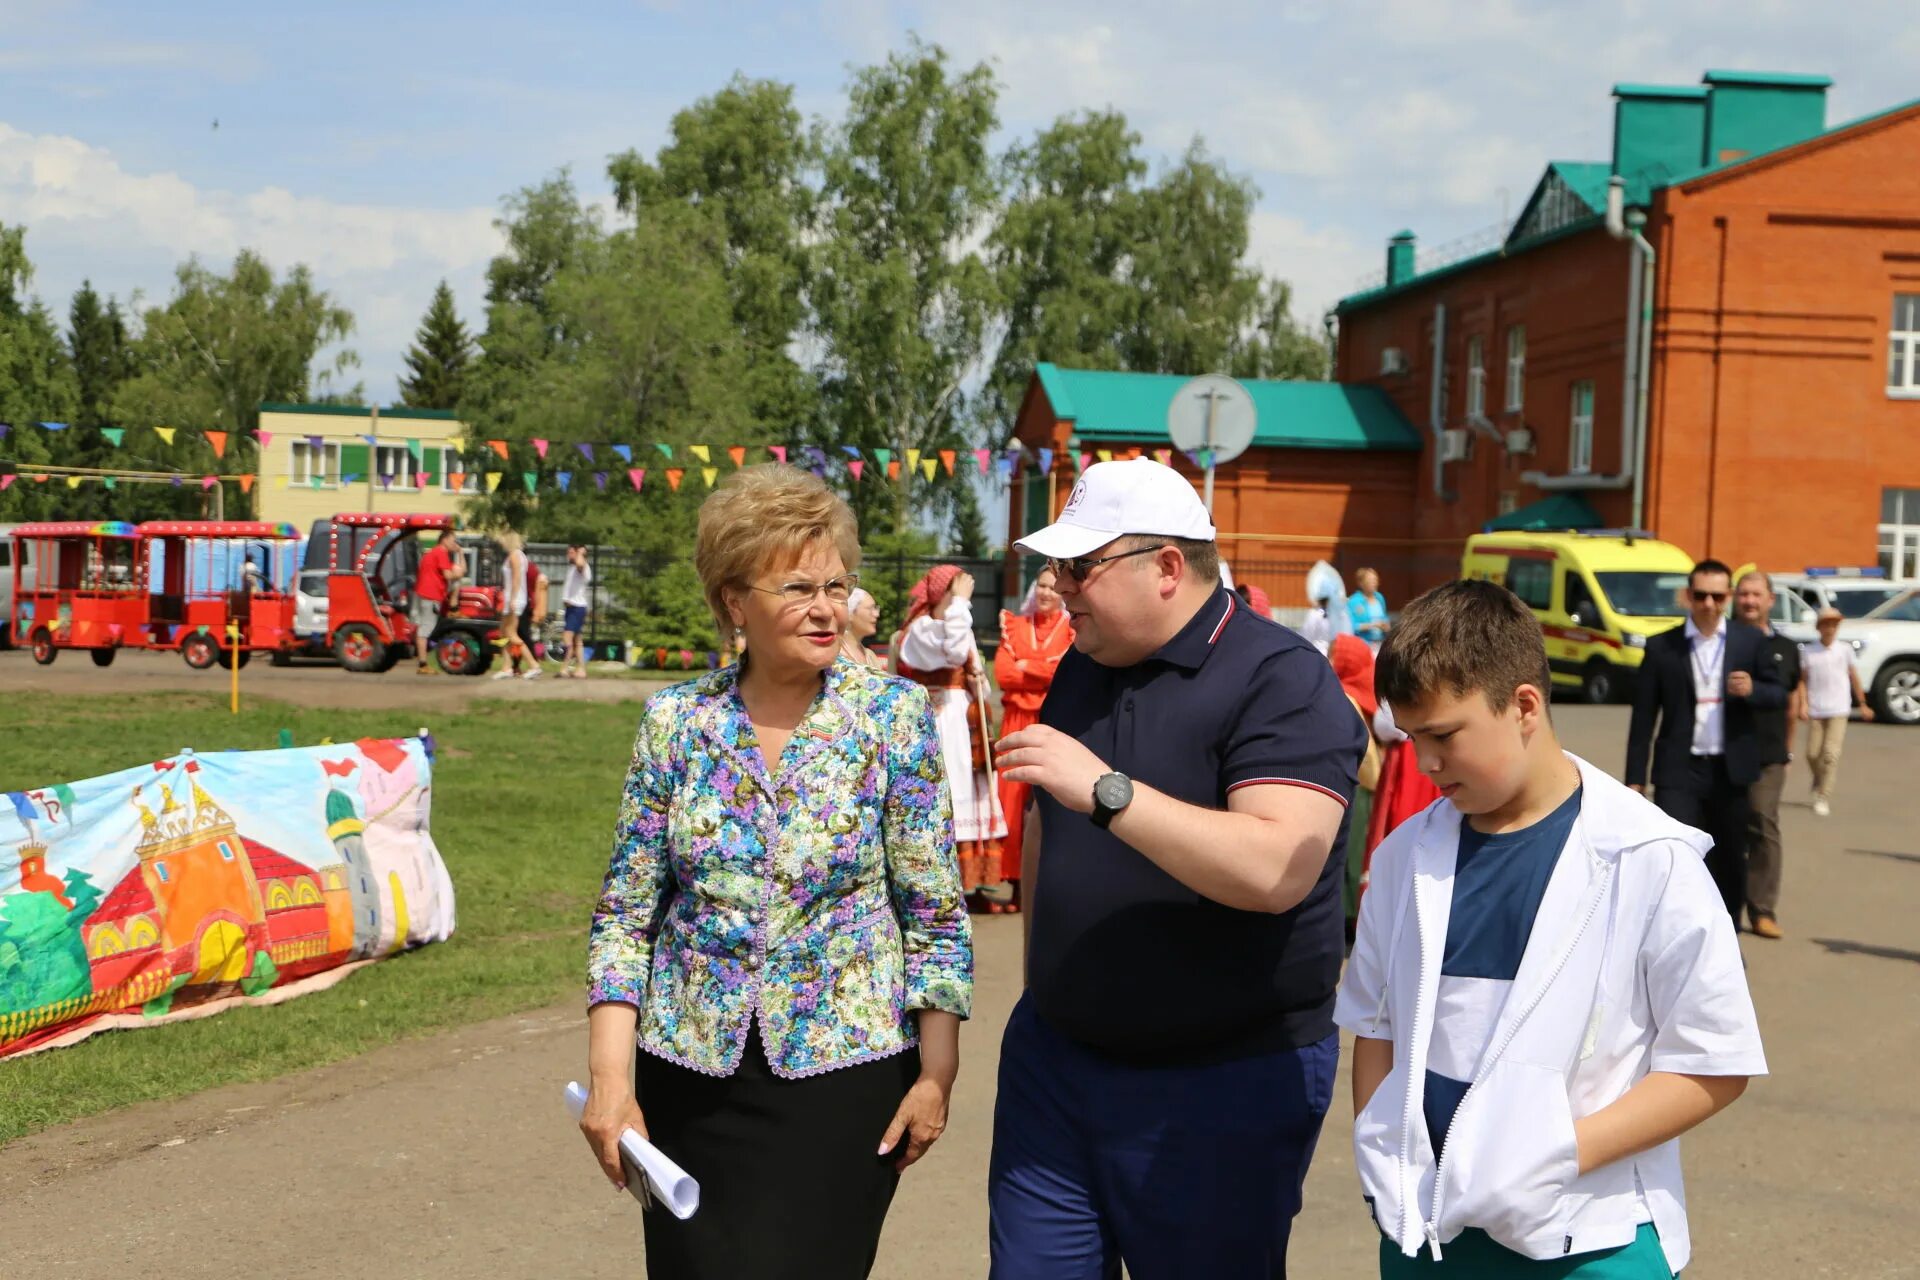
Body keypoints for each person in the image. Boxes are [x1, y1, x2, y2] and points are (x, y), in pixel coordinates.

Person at [579, 465, 973, 1280]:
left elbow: (933, 911)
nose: (827, 608)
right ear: (734, 603)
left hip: (846, 1078)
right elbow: (625, 915)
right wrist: (610, 1082)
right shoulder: (676, 721)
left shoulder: (892, 717)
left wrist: (936, 1074)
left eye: (837, 584)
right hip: (688, 1076)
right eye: (797, 587)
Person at [989, 457, 1364, 1279]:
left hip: (1221, 1082)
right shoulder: (1087, 663)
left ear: (1166, 567)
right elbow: (1052, 830)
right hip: (1058, 1067)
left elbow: (1274, 869)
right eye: (1056, 566)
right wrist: (1041, 990)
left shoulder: (1281, 680)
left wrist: (1109, 792)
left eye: (1081, 567)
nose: (1060, 587)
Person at [1338, 579, 1765, 1278]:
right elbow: (1379, 1027)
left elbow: (1712, 1063)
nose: (1425, 764)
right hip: (1428, 1230)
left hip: (1593, 1238)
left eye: (1445, 736)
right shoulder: (1402, 858)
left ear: (1525, 706)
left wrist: (1555, 1155)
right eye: (1413, 739)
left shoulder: (1651, 858)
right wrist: (1385, 1159)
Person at [1624, 557, 1784, 922]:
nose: (1709, 605)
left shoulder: (1749, 641)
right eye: (1700, 596)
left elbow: (1778, 694)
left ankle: (1727, 935)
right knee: (1676, 852)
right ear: (1687, 596)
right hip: (1679, 770)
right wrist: (1635, 778)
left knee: (1729, 856)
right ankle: (1674, 930)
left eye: (1716, 596)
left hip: (1730, 769)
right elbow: (1644, 717)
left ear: (1727, 597)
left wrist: (1753, 689)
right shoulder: (1663, 646)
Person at [891, 565, 1008, 910]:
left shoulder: (953, 625)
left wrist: (977, 683)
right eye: (956, 592)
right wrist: (960, 606)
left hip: (964, 718)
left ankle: (973, 883)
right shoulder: (921, 629)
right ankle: (946, 881)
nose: (962, 600)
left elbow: (967, 661)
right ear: (944, 595)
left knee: (975, 788)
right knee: (951, 790)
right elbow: (955, 652)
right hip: (941, 720)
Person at [992, 566, 1074, 914]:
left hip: (1052, 721)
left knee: (1048, 802)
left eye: (1053, 588)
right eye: (1041, 586)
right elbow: (1003, 674)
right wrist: (1035, 669)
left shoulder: (1071, 629)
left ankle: (1044, 884)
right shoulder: (1016, 626)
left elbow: (1063, 673)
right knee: (1011, 803)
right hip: (1016, 723)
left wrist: (1027, 665)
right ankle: (1013, 885)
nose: (1046, 592)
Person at [1733, 570, 1800, 938]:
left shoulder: (1785, 648)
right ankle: (1720, 909)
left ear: (1770, 600)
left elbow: (1790, 700)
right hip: (1721, 751)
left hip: (1767, 754)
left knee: (1762, 821)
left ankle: (1762, 909)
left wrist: (1789, 749)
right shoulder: (1718, 641)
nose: (1749, 601)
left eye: (1756, 595)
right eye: (1743, 594)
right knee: (1722, 829)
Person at [1799, 605, 1872, 817]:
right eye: (1826, 624)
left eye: (1834, 624)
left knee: (1831, 754)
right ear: (1819, 627)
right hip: (1816, 708)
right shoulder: (1809, 651)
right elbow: (1802, 680)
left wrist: (1863, 703)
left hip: (1839, 708)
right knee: (1813, 754)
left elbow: (1853, 676)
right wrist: (1803, 704)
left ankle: (1823, 795)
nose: (1830, 628)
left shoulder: (1844, 650)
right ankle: (1818, 779)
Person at [412, 528, 463, 675]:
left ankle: (422, 662)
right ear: (444, 540)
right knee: (426, 628)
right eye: (453, 540)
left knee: (423, 627)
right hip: (431, 595)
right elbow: (448, 575)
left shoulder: (432, 553)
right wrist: (458, 573)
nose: (454, 543)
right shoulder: (441, 552)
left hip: (423, 593)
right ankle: (422, 664)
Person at [492, 531, 541, 680]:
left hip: (513, 599)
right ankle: (506, 667)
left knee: (511, 634)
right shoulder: (520, 556)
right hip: (515, 599)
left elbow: (516, 579)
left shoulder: (514, 555)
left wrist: (512, 599)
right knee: (504, 633)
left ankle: (533, 665)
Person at [557, 542, 592, 679]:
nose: (568, 555)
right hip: (571, 608)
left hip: (577, 608)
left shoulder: (582, 567)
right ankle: (581, 669)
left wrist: (580, 552)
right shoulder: (572, 568)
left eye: (571, 552)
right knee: (577, 641)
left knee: (567, 639)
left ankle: (564, 668)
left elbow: (580, 564)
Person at [839, 586, 886, 669]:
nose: (876, 614)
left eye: (875, 608)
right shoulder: (835, 653)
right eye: (870, 608)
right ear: (850, 613)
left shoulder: (871, 656)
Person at [1349, 566, 1390, 647]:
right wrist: (1372, 625)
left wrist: (1386, 625)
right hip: (1363, 644)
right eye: (1370, 580)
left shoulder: (1379, 597)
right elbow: (1352, 626)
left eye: (1375, 580)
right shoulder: (1354, 601)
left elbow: (1385, 617)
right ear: (1361, 583)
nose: (1374, 583)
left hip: (1380, 643)